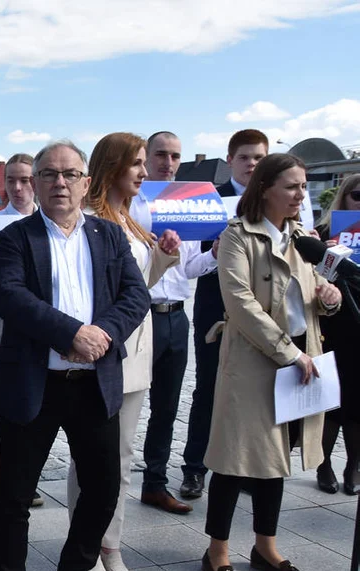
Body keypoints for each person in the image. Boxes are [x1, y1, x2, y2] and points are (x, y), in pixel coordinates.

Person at [0, 140, 150, 571]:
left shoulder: (107, 234)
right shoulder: (16, 237)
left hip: (94, 382)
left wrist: (101, 333)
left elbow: (135, 294)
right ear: (34, 183)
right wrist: (69, 333)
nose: (60, 182)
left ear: (85, 182)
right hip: (34, 384)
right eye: (49, 174)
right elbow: (10, 296)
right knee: (15, 496)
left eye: (69, 174)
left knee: (103, 486)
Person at [200, 154, 341, 571]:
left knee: (276, 458)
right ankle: (217, 552)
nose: (302, 195)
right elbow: (240, 304)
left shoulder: (304, 238)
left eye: (303, 187)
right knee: (234, 458)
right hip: (254, 362)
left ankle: (266, 546)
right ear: (265, 189)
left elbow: (313, 298)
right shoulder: (237, 237)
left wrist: (331, 296)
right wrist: (286, 353)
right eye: (293, 186)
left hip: (302, 356)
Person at [65, 133, 180, 571]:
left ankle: (110, 542)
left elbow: (139, 285)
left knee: (124, 455)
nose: (144, 171)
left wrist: (164, 258)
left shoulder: (132, 220)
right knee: (94, 457)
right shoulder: (89, 219)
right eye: (135, 163)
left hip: (137, 352)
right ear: (112, 167)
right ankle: (85, 545)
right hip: (104, 352)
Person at [183, 129, 268, 499]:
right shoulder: (210, 200)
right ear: (230, 160)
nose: (252, 164)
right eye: (246, 157)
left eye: (259, 158)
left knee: (254, 390)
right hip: (214, 306)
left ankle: (244, 468)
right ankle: (194, 468)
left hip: (263, 308)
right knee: (208, 388)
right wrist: (216, 253)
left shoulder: (273, 202)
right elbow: (191, 265)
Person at [138, 132, 219, 511]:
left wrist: (214, 254)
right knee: (127, 403)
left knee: (167, 406)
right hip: (142, 316)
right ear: (146, 157)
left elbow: (189, 269)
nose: (167, 162)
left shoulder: (186, 202)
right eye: (160, 154)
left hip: (176, 317)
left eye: (175, 156)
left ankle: (155, 481)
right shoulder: (135, 203)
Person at [0, 154, 40, 509]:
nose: (18, 188)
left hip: (42, 320)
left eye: (25, 180)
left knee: (37, 402)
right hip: (5, 320)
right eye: (11, 180)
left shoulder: (47, 221)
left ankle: (24, 474)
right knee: (1, 400)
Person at [314, 173, 360, 494]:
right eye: (358, 196)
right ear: (344, 198)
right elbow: (311, 281)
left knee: (358, 403)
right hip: (334, 325)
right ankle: (323, 462)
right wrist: (326, 255)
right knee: (331, 401)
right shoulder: (327, 233)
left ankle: (353, 466)